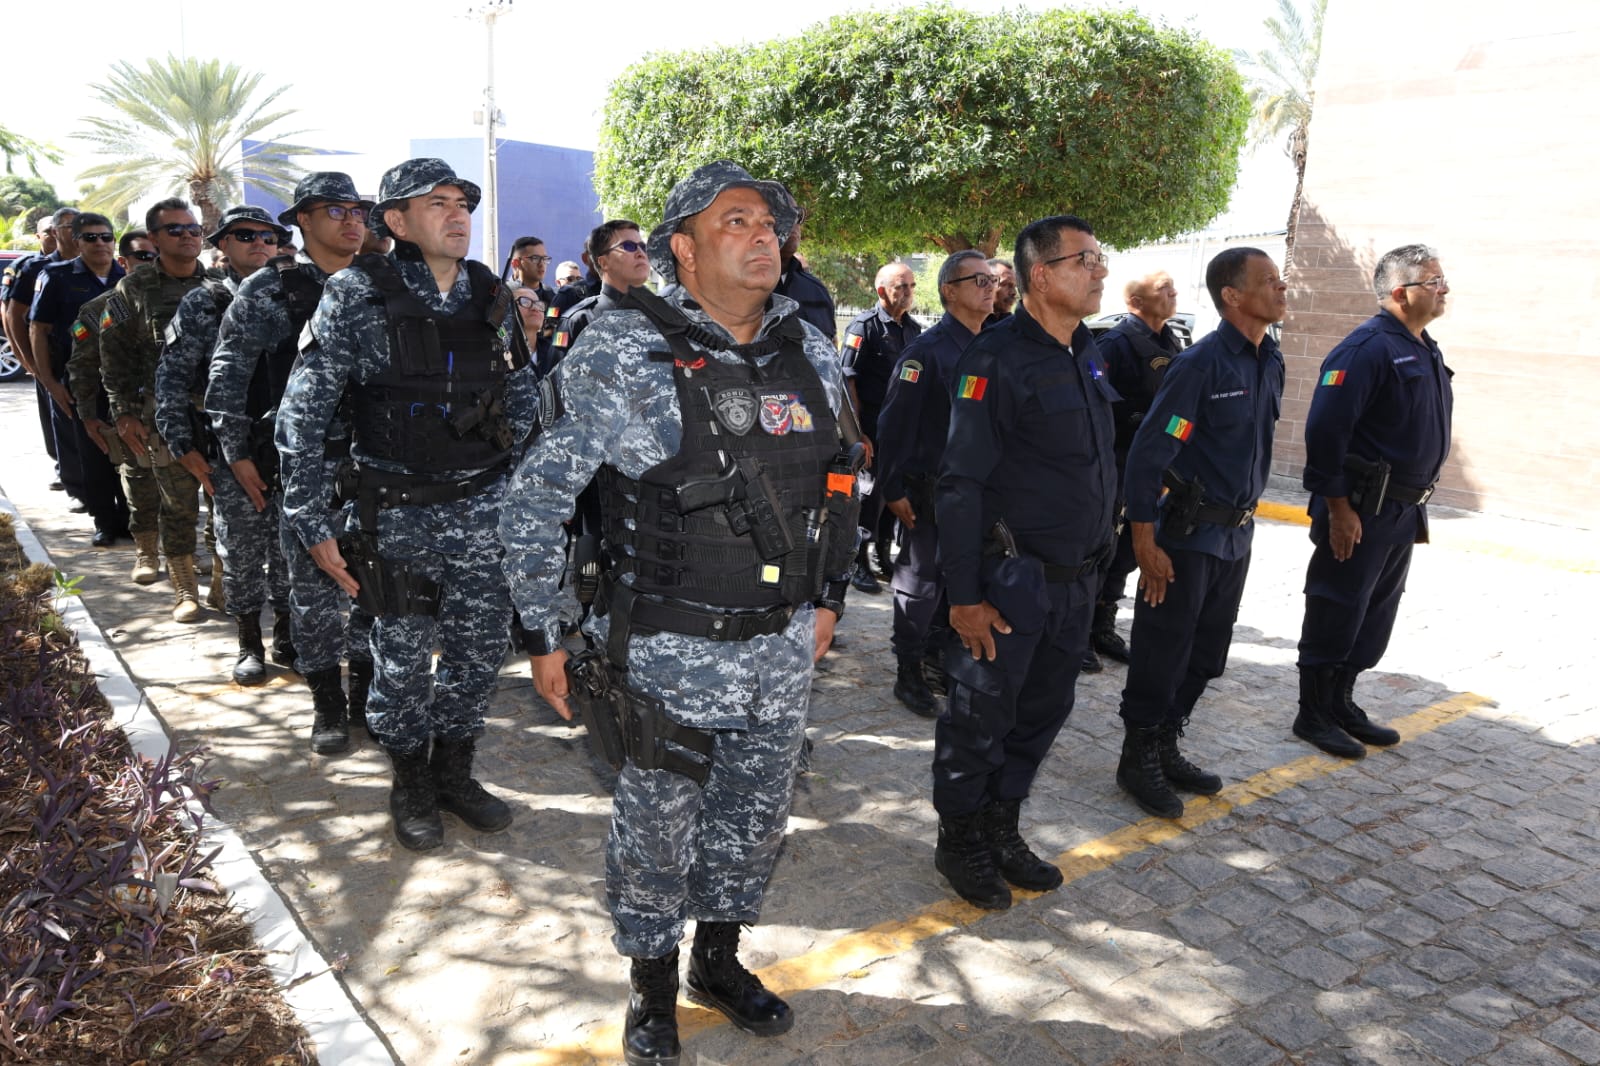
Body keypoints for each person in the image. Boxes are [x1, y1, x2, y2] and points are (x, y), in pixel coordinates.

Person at [500, 160, 856, 1065]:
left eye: (772, 221)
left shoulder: (809, 346)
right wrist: (545, 630)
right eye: (736, 221)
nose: (764, 234)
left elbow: (843, 478)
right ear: (683, 251)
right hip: (667, 648)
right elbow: (538, 496)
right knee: (657, 829)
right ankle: (651, 989)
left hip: (779, 647)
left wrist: (828, 597)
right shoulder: (623, 348)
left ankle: (718, 962)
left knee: (754, 819)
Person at [277, 158, 536, 849]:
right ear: (396, 221)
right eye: (437, 204)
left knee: (479, 653)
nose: (458, 216)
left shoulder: (491, 292)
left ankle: (454, 771)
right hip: (396, 514)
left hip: (484, 507)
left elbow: (520, 390)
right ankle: (410, 782)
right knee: (401, 657)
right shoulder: (357, 294)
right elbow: (302, 416)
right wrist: (311, 521)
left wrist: (530, 489)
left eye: (463, 203)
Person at [933, 216, 1117, 911]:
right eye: (1086, 260)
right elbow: (960, 484)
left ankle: (1001, 828)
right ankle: (960, 841)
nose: (1100, 271)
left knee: (1040, 715)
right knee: (980, 720)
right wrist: (963, 596)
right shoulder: (996, 358)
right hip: (1011, 584)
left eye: (1102, 260)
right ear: (1041, 274)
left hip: (1076, 584)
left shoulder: (1088, 352)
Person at [1116, 247, 1287, 819]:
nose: (1281, 288)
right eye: (1269, 281)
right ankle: (1137, 755)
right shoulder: (1202, 364)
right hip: (1186, 537)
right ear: (1233, 296)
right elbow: (1149, 454)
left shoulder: (1270, 360)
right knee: (1163, 650)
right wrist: (1145, 539)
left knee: (1208, 654)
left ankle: (1167, 741)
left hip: (1235, 537)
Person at [211, 173, 378, 750]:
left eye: (358, 210)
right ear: (303, 221)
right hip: (305, 467)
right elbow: (230, 372)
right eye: (336, 210)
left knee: (373, 593)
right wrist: (236, 454)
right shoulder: (269, 288)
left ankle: (365, 701)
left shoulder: (383, 284)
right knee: (312, 597)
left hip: (379, 469)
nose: (352, 220)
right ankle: (327, 706)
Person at [1293, 245, 1454, 757]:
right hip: (1362, 508)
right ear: (1401, 292)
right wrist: (1339, 510)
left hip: (1402, 511)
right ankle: (1312, 713)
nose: (1444, 288)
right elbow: (1324, 433)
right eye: (1433, 281)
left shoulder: (1424, 346)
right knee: (1337, 605)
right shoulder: (1365, 349)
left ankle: (1341, 701)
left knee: (1373, 614)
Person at [155, 205, 292, 682]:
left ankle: (290, 635)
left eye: (269, 237)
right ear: (223, 245)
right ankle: (249, 642)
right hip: (232, 450)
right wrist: (182, 445)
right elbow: (171, 377)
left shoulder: (298, 294)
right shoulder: (204, 302)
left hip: (293, 447)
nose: (260, 244)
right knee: (241, 551)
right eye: (245, 235)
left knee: (290, 550)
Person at [875, 249, 994, 717]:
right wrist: (893, 487)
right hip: (930, 491)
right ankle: (908, 671)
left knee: (959, 580)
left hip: (977, 494)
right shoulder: (925, 352)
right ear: (949, 290)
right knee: (921, 585)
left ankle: (938, 657)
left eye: (991, 279)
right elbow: (894, 425)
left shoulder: (993, 345)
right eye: (978, 280)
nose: (990, 287)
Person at [101, 198, 220, 623]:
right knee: (178, 503)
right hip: (162, 415)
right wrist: (124, 412)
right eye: (175, 229)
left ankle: (221, 580)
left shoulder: (220, 287)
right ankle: (185, 589)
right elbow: (113, 357)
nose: (187, 236)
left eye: (193, 229)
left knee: (222, 500)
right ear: (154, 238)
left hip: (218, 415)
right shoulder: (132, 290)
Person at [1087, 271, 1190, 671]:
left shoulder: (1171, 340)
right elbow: (1100, 409)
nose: (1173, 294)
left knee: (1130, 550)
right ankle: (1078, 633)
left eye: (1172, 288)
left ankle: (1102, 625)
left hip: (1152, 469)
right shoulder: (1115, 344)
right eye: (1164, 290)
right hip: (1116, 464)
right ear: (1136, 302)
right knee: (1104, 549)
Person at [27, 212, 128, 545]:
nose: (100, 243)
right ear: (75, 240)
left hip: (123, 380)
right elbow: (38, 330)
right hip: (80, 381)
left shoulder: (127, 274)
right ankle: (105, 521)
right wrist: (49, 382)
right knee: (92, 452)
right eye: (91, 237)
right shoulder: (56, 276)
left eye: (106, 237)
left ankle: (132, 518)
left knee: (129, 451)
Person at [68, 232, 161, 579]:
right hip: (121, 411)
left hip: (165, 411)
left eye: (154, 256)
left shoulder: (180, 300)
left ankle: (177, 550)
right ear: (124, 263)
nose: (149, 264)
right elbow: (80, 364)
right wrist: (88, 415)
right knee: (133, 481)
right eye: (141, 257)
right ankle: (139, 547)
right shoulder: (99, 309)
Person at [841, 261, 921, 591]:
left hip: (902, 428)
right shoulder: (864, 328)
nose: (908, 293)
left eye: (911, 286)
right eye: (901, 286)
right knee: (867, 496)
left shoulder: (913, 330)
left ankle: (883, 556)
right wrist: (856, 431)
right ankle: (858, 562)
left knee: (894, 491)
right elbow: (847, 380)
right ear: (882, 291)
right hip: (871, 425)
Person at [11, 209, 82, 502]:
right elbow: (14, 317)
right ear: (53, 232)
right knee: (61, 421)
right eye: (71, 227)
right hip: (54, 358)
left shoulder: (99, 266)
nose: (79, 233)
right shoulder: (36, 269)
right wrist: (30, 362)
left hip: (93, 363)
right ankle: (71, 480)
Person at [546, 219, 653, 369]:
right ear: (603, 262)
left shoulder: (664, 315)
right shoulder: (577, 321)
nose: (641, 253)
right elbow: (553, 381)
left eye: (643, 247)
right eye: (628, 246)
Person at [771, 198, 836, 344]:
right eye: (783, 213)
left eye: (798, 215)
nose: (794, 222)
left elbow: (830, 349)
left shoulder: (816, 290)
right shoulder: (735, 286)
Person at [984, 257, 1017, 327]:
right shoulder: (972, 324)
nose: (1014, 292)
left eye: (1015, 286)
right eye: (1007, 285)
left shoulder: (1015, 326)